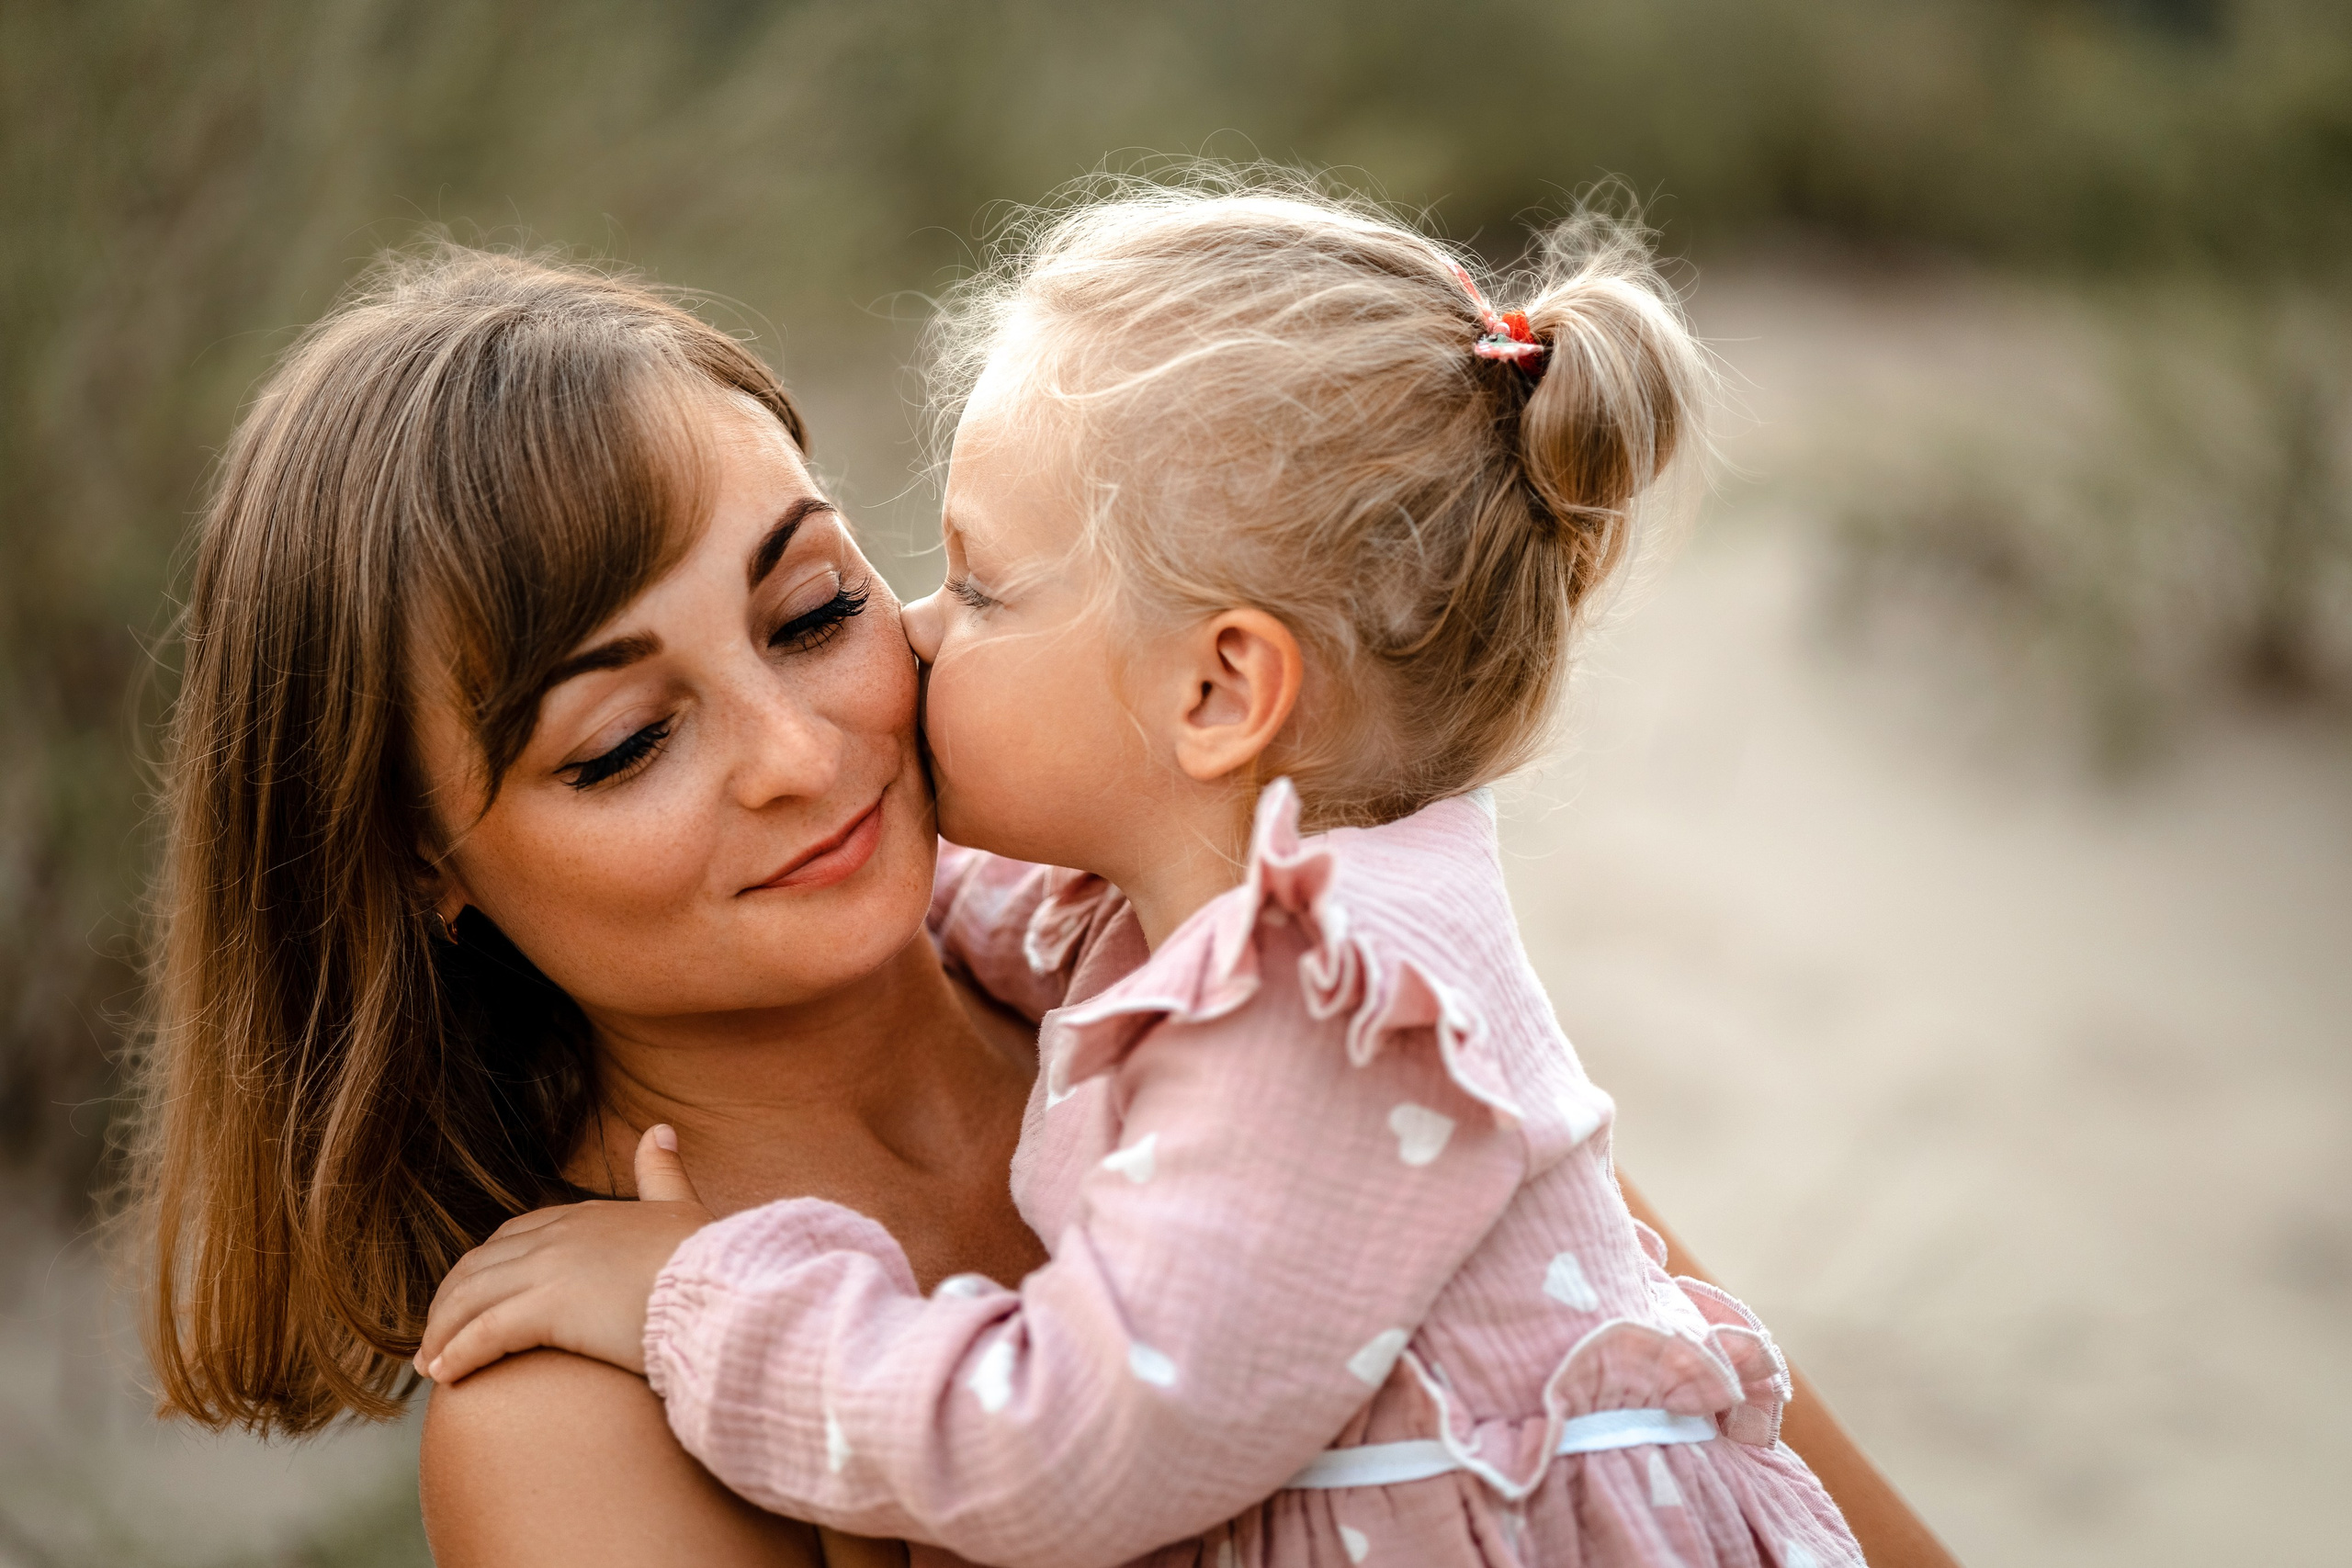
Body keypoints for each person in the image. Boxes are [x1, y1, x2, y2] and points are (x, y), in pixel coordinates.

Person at [134, 236, 1949, 1568]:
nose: (793, 748)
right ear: (420, 861)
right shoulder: (570, 1414)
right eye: (620, 742)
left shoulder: (1284, 1025)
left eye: (814, 607)